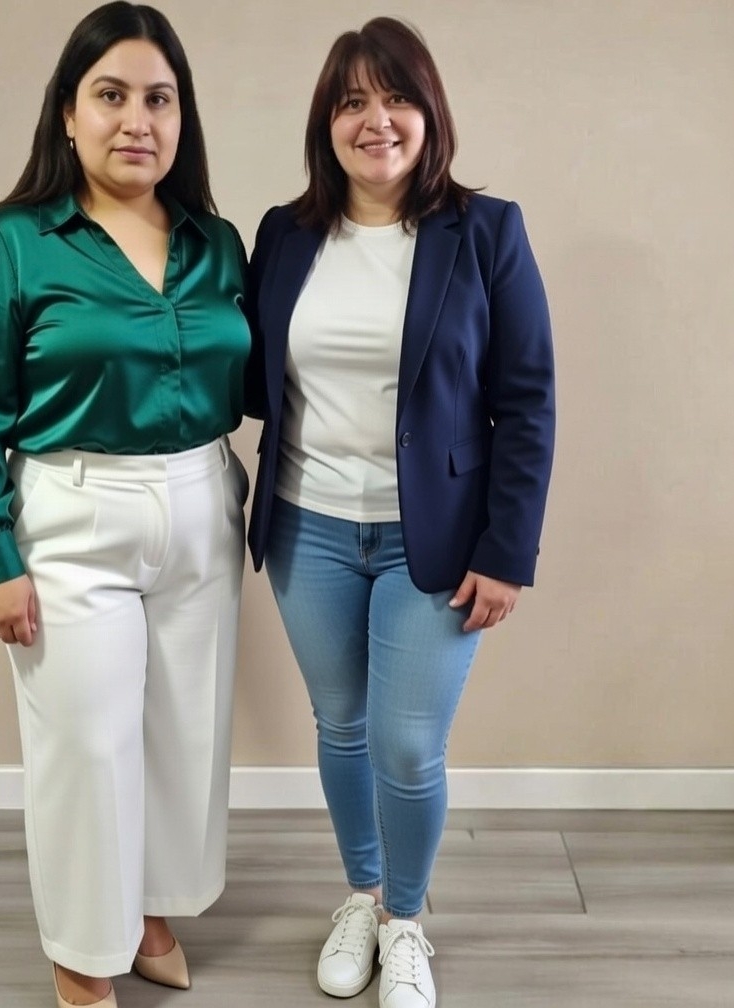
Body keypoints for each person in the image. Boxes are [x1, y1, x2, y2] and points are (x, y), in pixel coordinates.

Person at [0, 4, 250, 1006]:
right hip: (73, 515)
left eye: (160, 99)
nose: (137, 121)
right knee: (86, 743)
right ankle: (81, 957)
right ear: (68, 113)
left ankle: (148, 910)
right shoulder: (8, 244)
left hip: (203, 501)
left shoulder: (216, 243)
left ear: (182, 117)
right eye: (111, 95)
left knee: (184, 734)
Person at [245, 16, 554, 1008]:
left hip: (441, 538)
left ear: (429, 113)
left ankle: (406, 921)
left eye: (395, 98)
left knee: (407, 745)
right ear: (326, 124)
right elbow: (247, 377)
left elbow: (527, 399)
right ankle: (363, 895)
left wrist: (507, 550)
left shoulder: (485, 230)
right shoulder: (285, 235)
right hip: (308, 527)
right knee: (341, 726)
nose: (374, 120)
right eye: (351, 102)